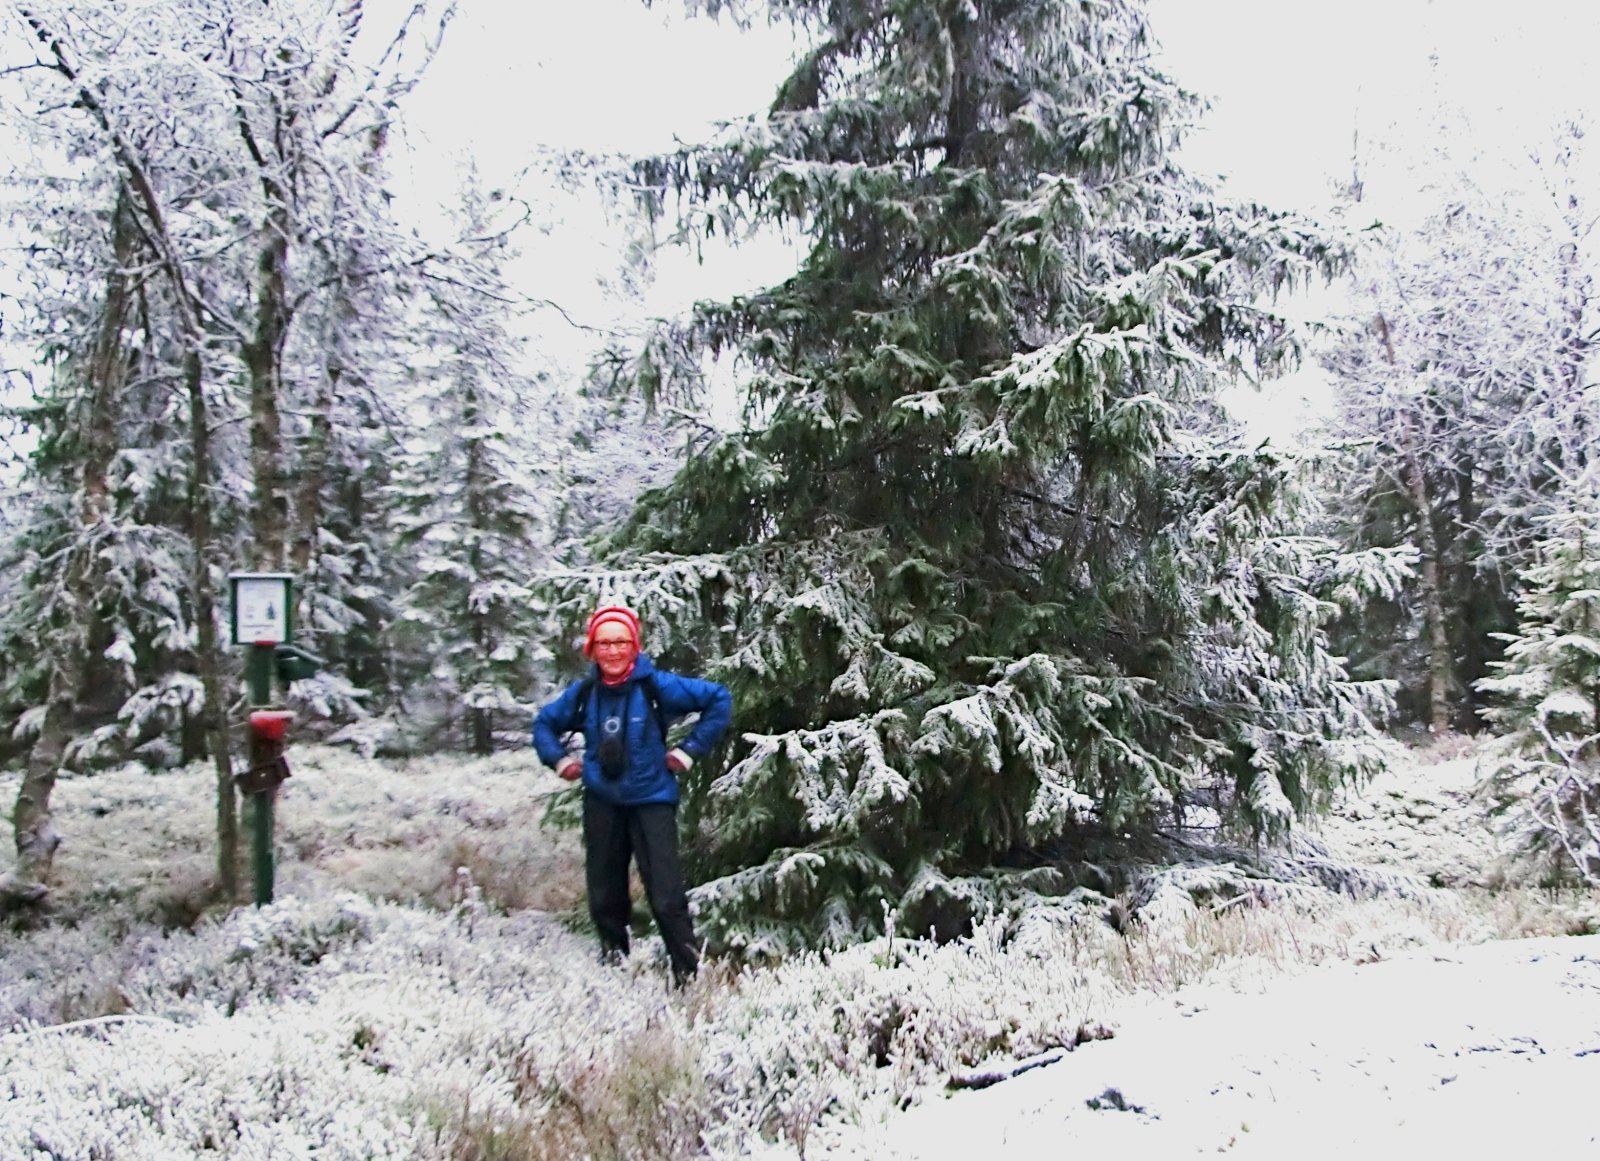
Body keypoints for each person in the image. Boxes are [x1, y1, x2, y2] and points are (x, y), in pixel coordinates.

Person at [532, 605, 732, 983]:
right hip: (602, 801)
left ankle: (688, 978)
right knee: (605, 897)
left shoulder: (657, 687)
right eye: (604, 644)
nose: (613, 651)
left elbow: (718, 699)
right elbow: (544, 723)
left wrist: (688, 752)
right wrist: (560, 761)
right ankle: (615, 973)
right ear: (592, 649)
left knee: (666, 896)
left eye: (621, 642)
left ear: (634, 646)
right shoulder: (584, 694)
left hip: (651, 800)